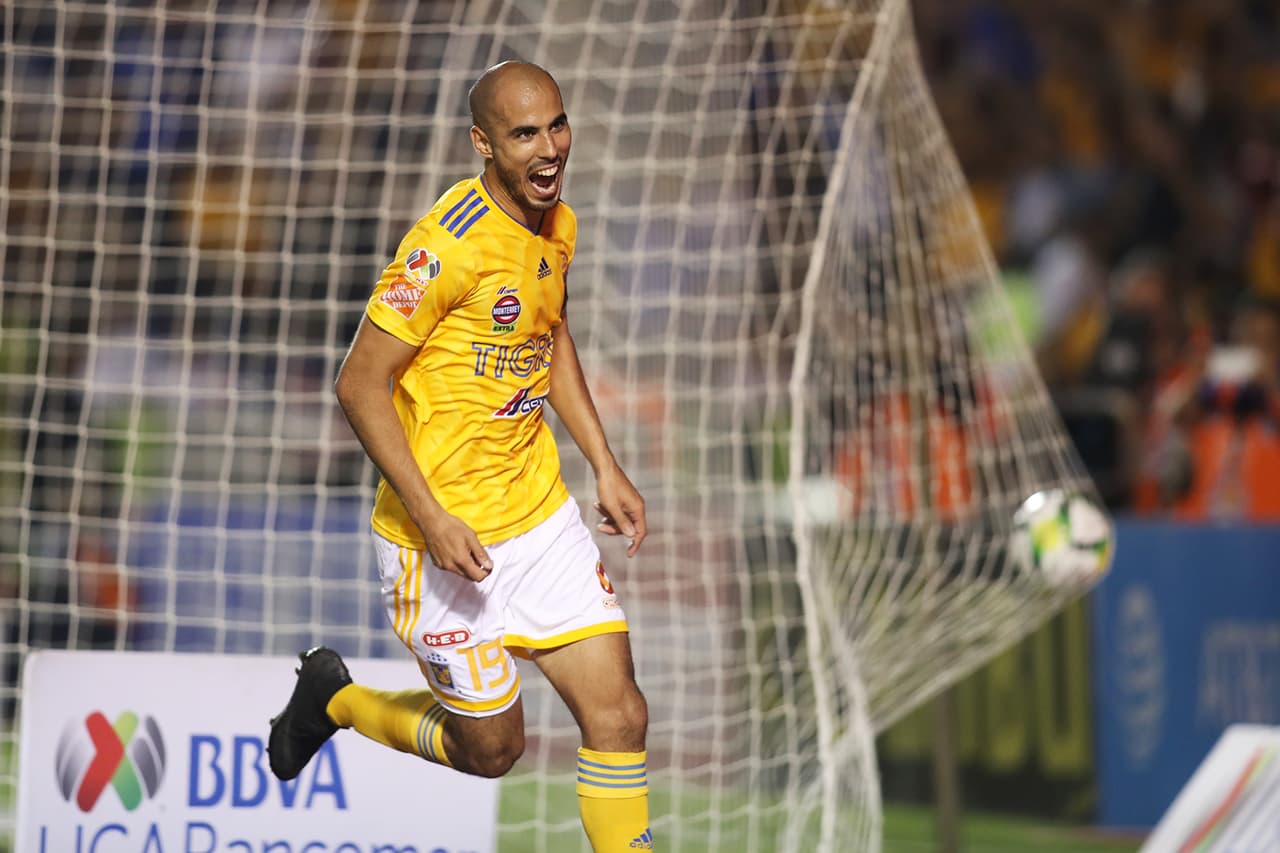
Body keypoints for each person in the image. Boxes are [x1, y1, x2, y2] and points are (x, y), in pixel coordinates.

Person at [267, 61, 653, 852]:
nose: (550, 149)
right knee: (494, 751)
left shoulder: (557, 226)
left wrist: (603, 462)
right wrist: (433, 516)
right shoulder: (443, 248)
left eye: (557, 124)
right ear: (483, 142)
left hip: (538, 515)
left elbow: (549, 335)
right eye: (523, 134)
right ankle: (332, 699)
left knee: (620, 714)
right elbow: (358, 384)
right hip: (440, 543)